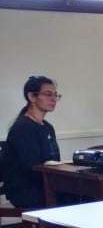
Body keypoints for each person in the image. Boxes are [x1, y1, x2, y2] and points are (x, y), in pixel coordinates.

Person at [3, 75, 62, 209]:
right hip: (27, 189)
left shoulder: (47, 126)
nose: (53, 99)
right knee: (79, 198)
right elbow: (31, 166)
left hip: (46, 184)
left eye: (55, 95)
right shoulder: (22, 128)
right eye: (48, 94)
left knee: (84, 194)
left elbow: (54, 160)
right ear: (32, 97)